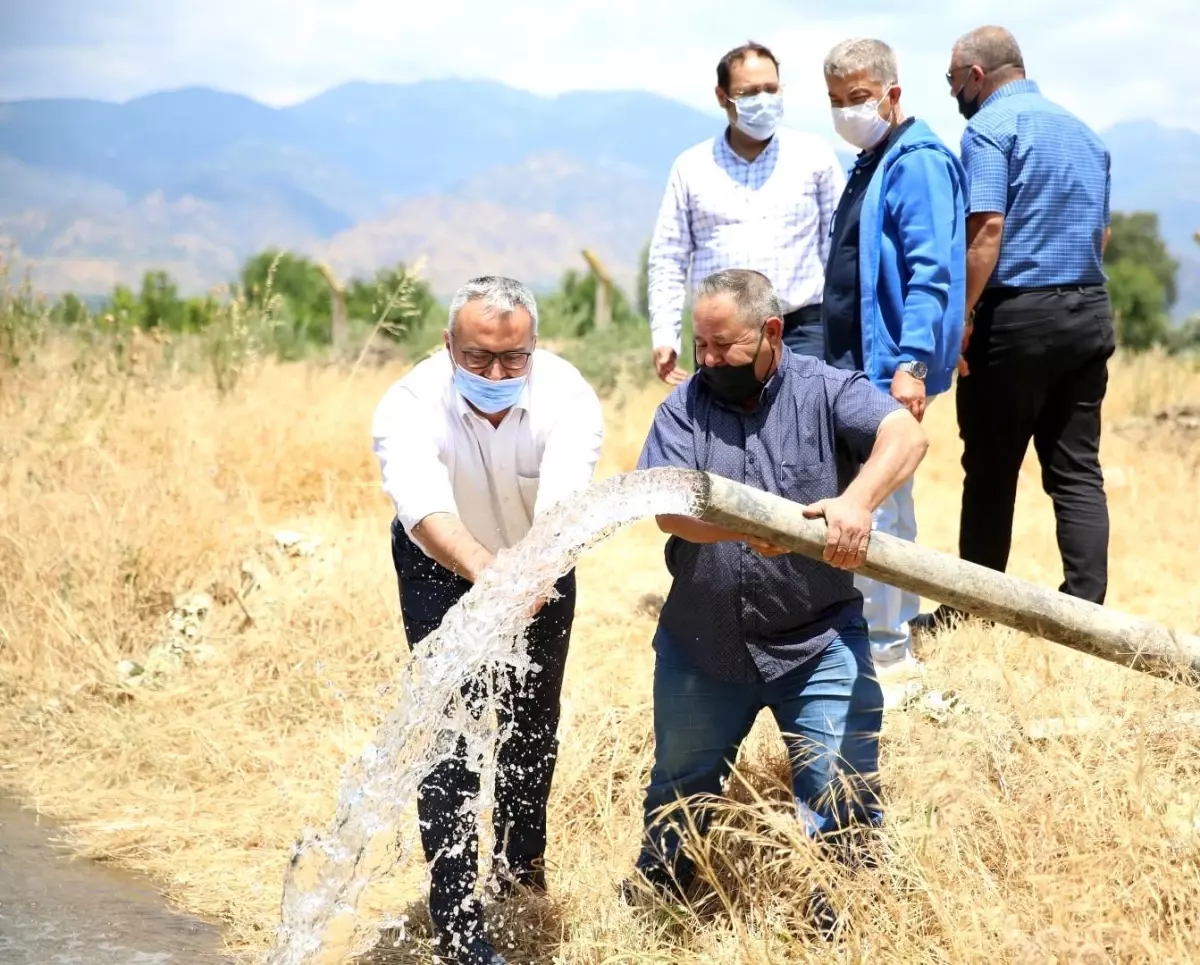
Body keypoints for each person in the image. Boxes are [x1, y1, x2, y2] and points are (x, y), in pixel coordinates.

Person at [628, 268, 928, 911]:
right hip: (702, 641)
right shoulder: (684, 406)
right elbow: (666, 507)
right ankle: (661, 907)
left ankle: (847, 918)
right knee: (679, 792)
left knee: (840, 789)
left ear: (771, 331)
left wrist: (857, 501)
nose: (707, 360)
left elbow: (906, 435)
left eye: (722, 346)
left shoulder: (827, 390)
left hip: (816, 636)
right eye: (699, 344)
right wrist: (743, 527)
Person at [371, 276, 605, 965]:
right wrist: (492, 573)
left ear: (535, 346)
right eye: (478, 359)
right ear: (448, 345)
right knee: (451, 734)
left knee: (533, 723)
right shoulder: (410, 403)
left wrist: (530, 573)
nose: (498, 374)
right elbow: (422, 509)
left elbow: (565, 503)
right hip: (439, 565)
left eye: (513, 358)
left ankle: (518, 875)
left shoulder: (567, 397)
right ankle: (458, 922)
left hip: (541, 560)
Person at [918, 26, 1115, 632]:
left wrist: (964, 317)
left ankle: (972, 611)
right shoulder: (1085, 134)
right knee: (1076, 468)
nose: (952, 93)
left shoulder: (987, 131)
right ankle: (1085, 618)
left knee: (992, 467)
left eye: (952, 81)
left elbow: (986, 232)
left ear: (976, 76)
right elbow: (1100, 235)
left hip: (1016, 318)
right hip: (1088, 310)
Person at [819, 38, 967, 671]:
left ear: (892, 94)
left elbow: (932, 272)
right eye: (835, 101)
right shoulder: (872, 160)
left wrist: (913, 363)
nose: (847, 111)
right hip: (858, 366)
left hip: (890, 368)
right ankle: (875, 640)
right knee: (873, 504)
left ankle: (889, 650)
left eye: (858, 98)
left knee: (882, 508)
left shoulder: (917, 162)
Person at [647, 41, 846, 384]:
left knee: (804, 432)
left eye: (771, 89)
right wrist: (665, 333)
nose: (764, 100)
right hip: (720, 340)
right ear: (722, 96)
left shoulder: (813, 157)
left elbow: (840, 250)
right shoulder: (692, 167)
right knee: (725, 433)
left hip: (801, 331)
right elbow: (669, 256)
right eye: (750, 92)